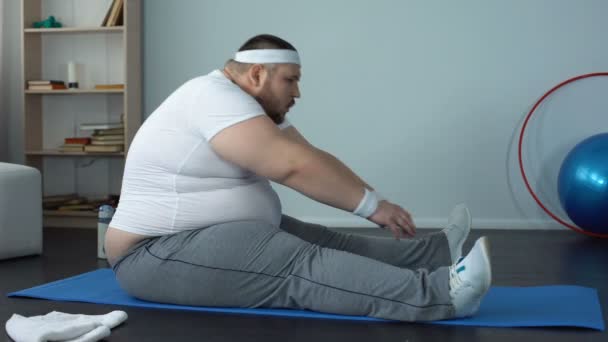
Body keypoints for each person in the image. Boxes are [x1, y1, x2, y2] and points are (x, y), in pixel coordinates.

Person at [105, 34, 492, 322]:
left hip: (195, 237)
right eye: (290, 80)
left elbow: (311, 158)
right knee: (297, 261)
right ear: (257, 74)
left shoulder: (240, 102)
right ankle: (441, 296)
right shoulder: (212, 98)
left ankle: (436, 254)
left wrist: (377, 201)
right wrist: (372, 208)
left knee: (325, 239)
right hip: (153, 254)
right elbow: (291, 167)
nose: (298, 91)